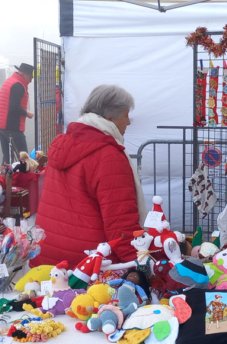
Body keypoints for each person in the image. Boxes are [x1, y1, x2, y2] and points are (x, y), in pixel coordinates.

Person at [33, 85, 147, 267]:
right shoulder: (108, 155)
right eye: (126, 115)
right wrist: (140, 262)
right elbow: (121, 222)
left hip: (48, 255)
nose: (129, 122)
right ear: (110, 118)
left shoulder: (61, 143)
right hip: (90, 263)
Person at [0, 63, 34, 164]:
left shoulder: (10, 81)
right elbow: (13, 107)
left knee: (8, 159)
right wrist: (26, 113)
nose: (30, 80)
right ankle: (23, 178)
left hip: (2, 125)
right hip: (11, 126)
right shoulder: (18, 85)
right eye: (30, 77)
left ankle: (8, 177)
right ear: (24, 74)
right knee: (23, 159)